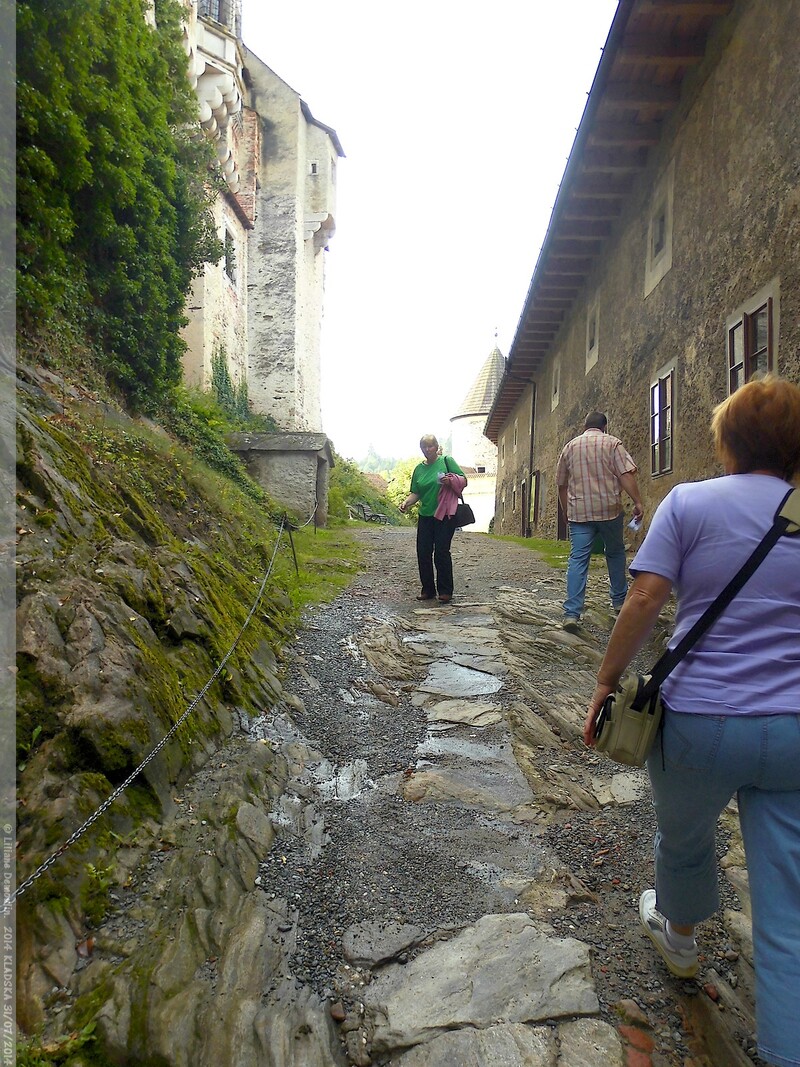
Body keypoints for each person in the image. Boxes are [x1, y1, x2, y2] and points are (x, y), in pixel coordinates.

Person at [582, 376, 800, 1067]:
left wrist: (607, 680)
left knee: (683, 833)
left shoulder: (689, 502)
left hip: (701, 719)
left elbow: (645, 596)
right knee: (788, 891)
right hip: (794, 727)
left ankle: (678, 937)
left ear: (727, 441)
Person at [556, 411, 644, 632]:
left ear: (584, 426)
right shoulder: (613, 444)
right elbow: (625, 474)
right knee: (614, 553)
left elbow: (562, 484)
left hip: (580, 512)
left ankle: (572, 613)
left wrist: (566, 512)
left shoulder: (570, 447)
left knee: (577, 559)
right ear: (605, 426)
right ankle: (619, 603)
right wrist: (638, 502)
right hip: (609, 510)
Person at [399, 435, 467, 603]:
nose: (427, 449)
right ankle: (428, 590)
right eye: (424, 447)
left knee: (442, 552)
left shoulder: (446, 461)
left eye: (430, 446)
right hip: (426, 516)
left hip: (445, 514)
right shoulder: (418, 469)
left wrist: (450, 480)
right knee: (423, 552)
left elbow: (463, 480)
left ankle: (445, 591)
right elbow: (417, 492)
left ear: (436, 447)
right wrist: (406, 503)